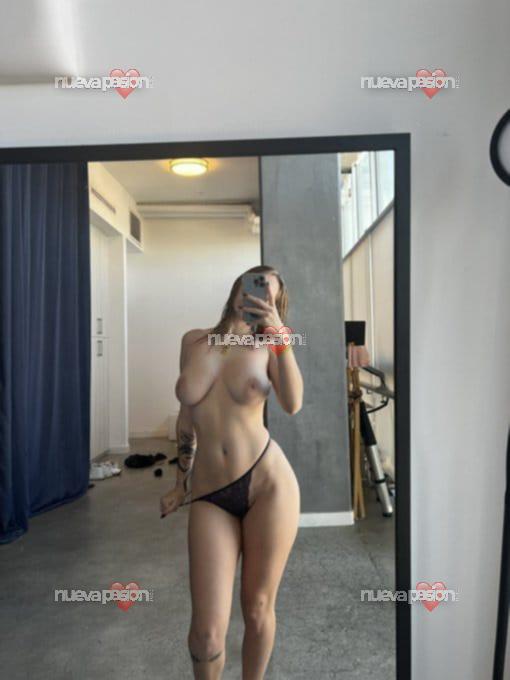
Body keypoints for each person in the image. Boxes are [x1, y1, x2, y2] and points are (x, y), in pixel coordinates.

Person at [160, 265, 303, 680]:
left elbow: (292, 403)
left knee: (257, 608)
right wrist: (179, 483)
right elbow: (187, 417)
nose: (255, 294)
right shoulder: (194, 341)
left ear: (275, 304)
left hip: (268, 486)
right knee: (206, 636)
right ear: (236, 288)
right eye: (251, 284)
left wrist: (280, 337)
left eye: (267, 292)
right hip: (210, 494)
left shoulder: (269, 346)